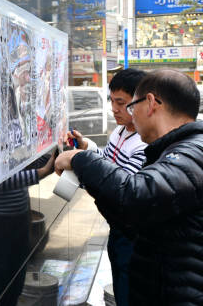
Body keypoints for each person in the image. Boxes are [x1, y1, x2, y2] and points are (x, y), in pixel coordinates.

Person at [55, 69, 203, 305]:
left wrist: (79, 158)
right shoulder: (183, 150)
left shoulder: (192, 155)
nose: (130, 114)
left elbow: (135, 197)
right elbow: (131, 218)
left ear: (150, 103)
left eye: (131, 106)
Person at [65, 68, 147, 306]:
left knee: (130, 289)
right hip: (117, 227)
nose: (114, 109)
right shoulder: (119, 132)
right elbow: (107, 161)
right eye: (112, 101)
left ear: (142, 101)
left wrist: (77, 164)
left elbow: (118, 184)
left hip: (132, 233)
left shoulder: (143, 143)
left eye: (121, 103)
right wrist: (86, 146)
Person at [0, 152, 57, 306]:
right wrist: (41, 172)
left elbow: (22, 161)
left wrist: (54, 154)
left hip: (17, 219)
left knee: (13, 285)